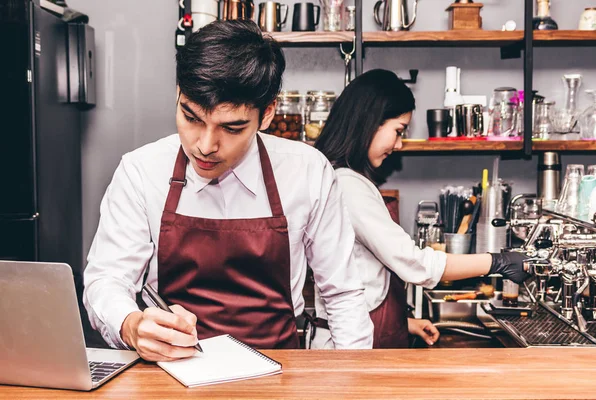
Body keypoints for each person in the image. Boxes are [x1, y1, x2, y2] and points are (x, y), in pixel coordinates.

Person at [83, 20, 374, 361]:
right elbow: (107, 280)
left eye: (231, 127)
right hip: (172, 373)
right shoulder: (141, 170)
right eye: (191, 118)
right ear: (178, 92)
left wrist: (352, 379)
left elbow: (343, 295)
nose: (205, 146)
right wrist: (131, 325)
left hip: (281, 372)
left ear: (267, 114)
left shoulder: (308, 172)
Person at [309, 69, 530, 349]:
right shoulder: (347, 185)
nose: (399, 144)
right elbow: (416, 264)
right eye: (398, 131)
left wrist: (405, 323)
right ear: (369, 122)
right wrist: (498, 262)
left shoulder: (344, 179)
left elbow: (362, 274)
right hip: (349, 345)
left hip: (359, 332)